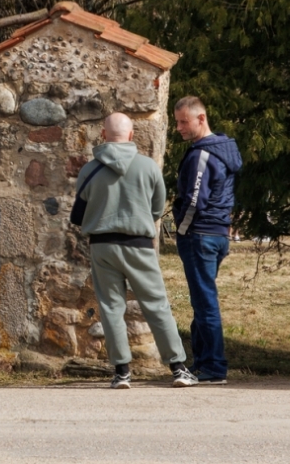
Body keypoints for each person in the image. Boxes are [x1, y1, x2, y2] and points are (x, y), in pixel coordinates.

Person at [74, 112, 194, 389]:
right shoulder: (148, 167)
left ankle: (122, 372)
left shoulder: (89, 169)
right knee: (156, 304)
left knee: (110, 308)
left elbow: (78, 213)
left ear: (103, 135)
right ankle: (177, 367)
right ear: (131, 136)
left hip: (102, 244)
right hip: (138, 244)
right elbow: (156, 209)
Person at [171, 96, 242, 385]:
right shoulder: (223, 150)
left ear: (202, 119)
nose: (178, 128)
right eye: (177, 122)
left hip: (201, 234)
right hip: (216, 233)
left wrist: (183, 229)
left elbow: (193, 200)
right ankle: (202, 362)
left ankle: (213, 367)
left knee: (205, 302)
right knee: (203, 300)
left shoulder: (203, 154)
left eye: (183, 122)